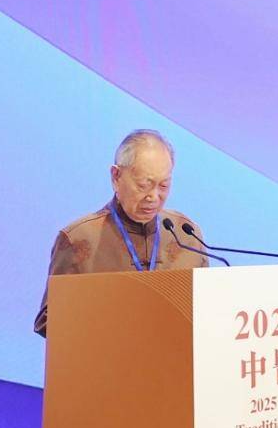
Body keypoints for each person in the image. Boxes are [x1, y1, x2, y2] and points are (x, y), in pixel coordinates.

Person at [33, 129, 206, 337]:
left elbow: (208, 310)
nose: (153, 197)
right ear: (116, 177)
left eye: (163, 185)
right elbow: (49, 323)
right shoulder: (79, 239)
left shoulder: (187, 235)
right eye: (143, 185)